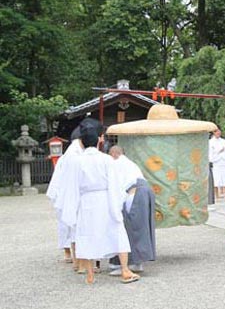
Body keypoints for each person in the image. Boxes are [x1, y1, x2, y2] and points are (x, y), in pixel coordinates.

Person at [55, 119, 139, 285]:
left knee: (86, 235)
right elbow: (114, 183)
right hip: (105, 199)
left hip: (86, 201)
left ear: (82, 142)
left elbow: (72, 186)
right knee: (116, 231)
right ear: (99, 140)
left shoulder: (76, 161)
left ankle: (90, 273)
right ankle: (125, 270)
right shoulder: (106, 160)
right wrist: (118, 202)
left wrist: (72, 207)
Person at [108, 146, 156, 274]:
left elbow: (116, 186)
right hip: (145, 191)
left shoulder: (116, 163)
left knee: (129, 227)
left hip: (134, 193)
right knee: (142, 228)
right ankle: (138, 262)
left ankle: (128, 263)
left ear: (113, 154)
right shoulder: (129, 163)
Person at [46, 127, 83, 267]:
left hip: (65, 192)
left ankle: (71, 255)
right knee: (67, 224)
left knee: (67, 224)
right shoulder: (73, 155)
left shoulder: (68, 155)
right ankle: (71, 255)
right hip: (66, 192)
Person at [209, 128, 225, 203]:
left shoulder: (223, 141)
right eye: (216, 131)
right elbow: (211, 155)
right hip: (216, 163)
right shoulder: (210, 142)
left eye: (219, 131)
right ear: (213, 132)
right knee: (216, 179)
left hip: (224, 162)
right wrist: (218, 152)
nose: (218, 132)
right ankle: (217, 195)